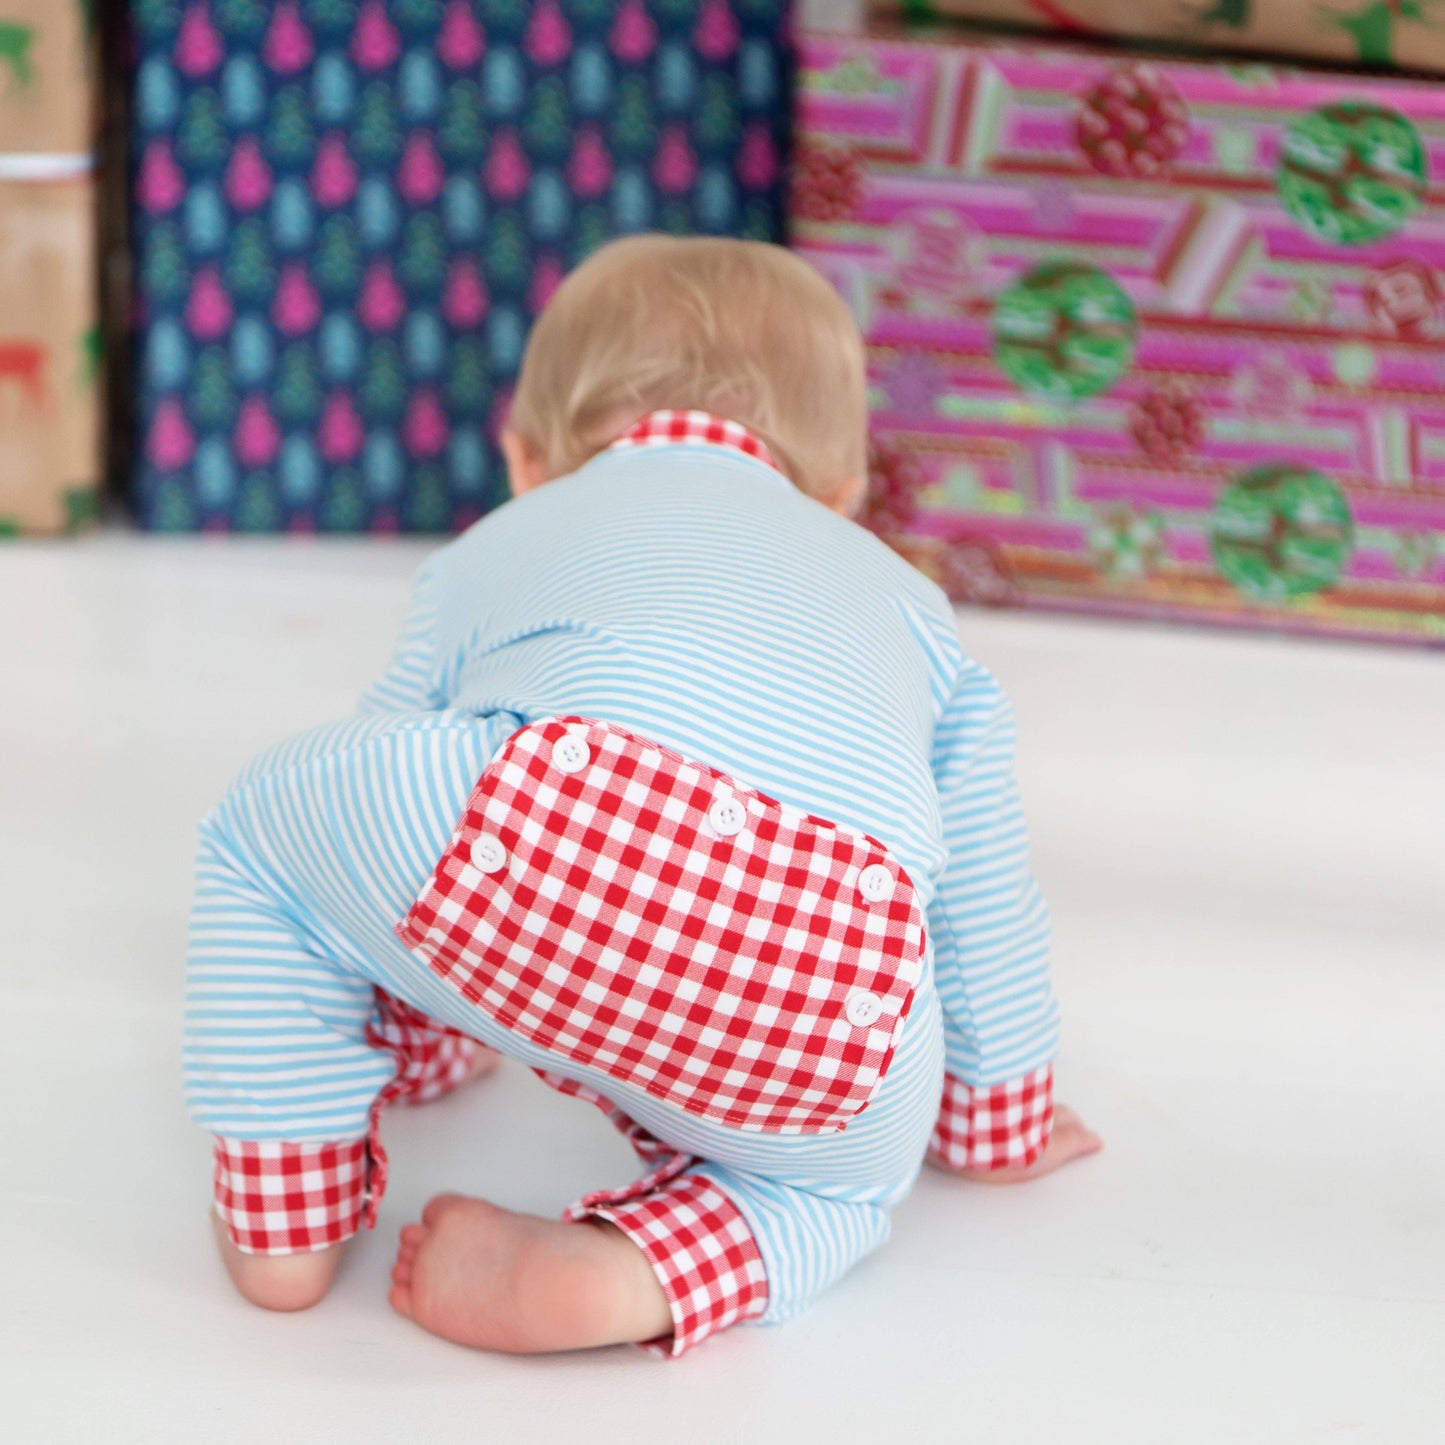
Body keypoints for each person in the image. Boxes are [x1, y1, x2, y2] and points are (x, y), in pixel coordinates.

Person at [184, 235, 1101, 1359]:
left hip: (549, 815)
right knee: (843, 1194)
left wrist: (431, 1028)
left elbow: (389, 773)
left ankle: (289, 1208)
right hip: (829, 966)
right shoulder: (914, 609)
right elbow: (981, 909)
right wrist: (994, 1115)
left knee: (270, 832)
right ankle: (628, 1275)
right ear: (840, 493)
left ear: (529, 458)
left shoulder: (500, 540)